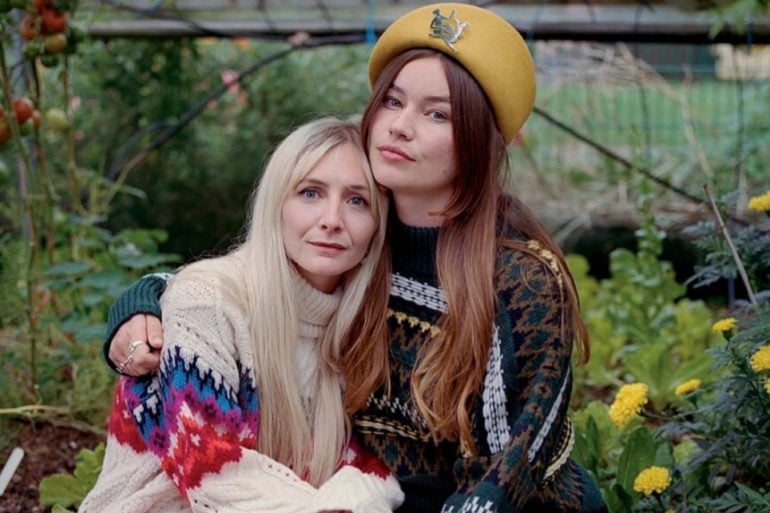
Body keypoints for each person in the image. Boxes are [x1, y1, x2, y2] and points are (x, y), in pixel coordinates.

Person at [102, 3, 609, 512]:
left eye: (437, 113)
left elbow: (511, 465)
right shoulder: (362, 245)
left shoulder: (519, 279)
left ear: (480, 141)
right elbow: (248, 287)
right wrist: (146, 299)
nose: (401, 126)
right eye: (392, 101)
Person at [80, 116, 404, 513]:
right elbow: (213, 475)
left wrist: (363, 494)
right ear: (276, 204)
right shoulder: (208, 304)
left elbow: (363, 465)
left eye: (358, 200)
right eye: (310, 193)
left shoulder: (359, 328)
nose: (332, 220)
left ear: (379, 223)